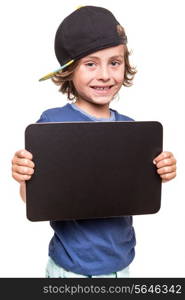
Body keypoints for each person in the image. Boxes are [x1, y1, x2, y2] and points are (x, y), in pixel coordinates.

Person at [11, 6, 177, 278]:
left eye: (114, 62)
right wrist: (23, 177)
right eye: (90, 63)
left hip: (121, 267)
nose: (105, 75)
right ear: (70, 71)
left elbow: (140, 192)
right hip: (68, 270)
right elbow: (32, 198)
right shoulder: (52, 124)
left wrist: (161, 170)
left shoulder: (132, 129)